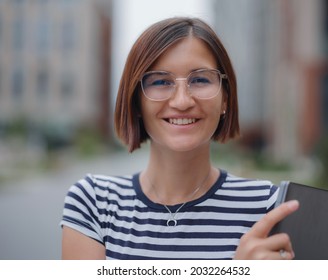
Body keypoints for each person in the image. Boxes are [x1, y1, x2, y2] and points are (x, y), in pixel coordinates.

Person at [60, 17, 299, 260]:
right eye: (161, 81)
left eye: (200, 79)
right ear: (137, 101)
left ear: (225, 98)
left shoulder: (272, 208)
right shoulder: (94, 203)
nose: (182, 101)